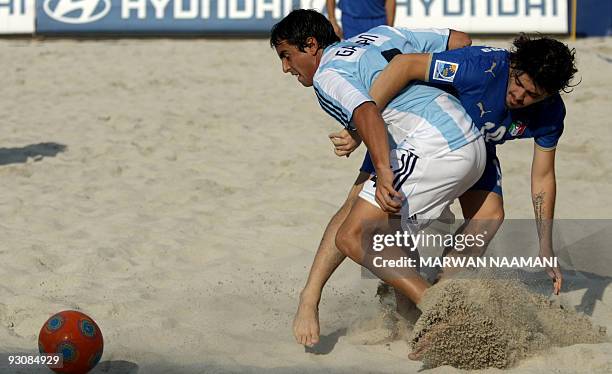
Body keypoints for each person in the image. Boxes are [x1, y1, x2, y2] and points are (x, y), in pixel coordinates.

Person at [295, 33, 578, 349]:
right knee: (357, 210)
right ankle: (311, 296)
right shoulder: (482, 66)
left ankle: (438, 299)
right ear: (514, 65)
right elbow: (405, 65)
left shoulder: (551, 113)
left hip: (474, 149)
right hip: (420, 129)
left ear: (549, 95)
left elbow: (543, 177)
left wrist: (545, 244)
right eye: (518, 83)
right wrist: (359, 127)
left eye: (532, 94)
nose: (519, 95)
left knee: (489, 217)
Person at [270, 9, 485, 347]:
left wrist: (384, 172)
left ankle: (441, 313)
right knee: (364, 215)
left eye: (286, 56)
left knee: (353, 237)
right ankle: (398, 316)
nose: (285, 68)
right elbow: (460, 40)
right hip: (465, 137)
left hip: (436, 147)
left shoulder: (328, 73)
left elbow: (367, 111)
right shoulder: (382, 35)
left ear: (311, 45)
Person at [326, 0, 396, 39]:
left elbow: (390, 1)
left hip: (378, 21)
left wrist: (389, 27)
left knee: (377, 59)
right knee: (351, 59)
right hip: (351, 21)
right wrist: (332, 21)